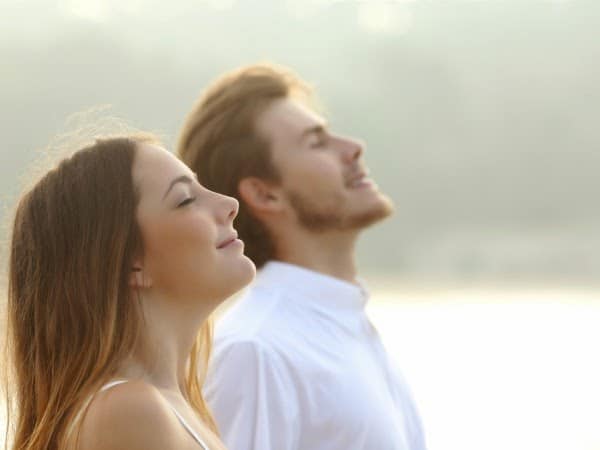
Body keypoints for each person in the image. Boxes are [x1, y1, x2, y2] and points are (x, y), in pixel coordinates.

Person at [178, 64, 426, 450]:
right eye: (316, 142)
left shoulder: (345, 326)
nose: (353, 147)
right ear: (265, 194)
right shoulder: (256, 351)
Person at [5, 134, 255, 450]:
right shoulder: (128, 412)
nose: (230, 204)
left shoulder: (173, 408)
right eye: (185, 199)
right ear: (130, 264)